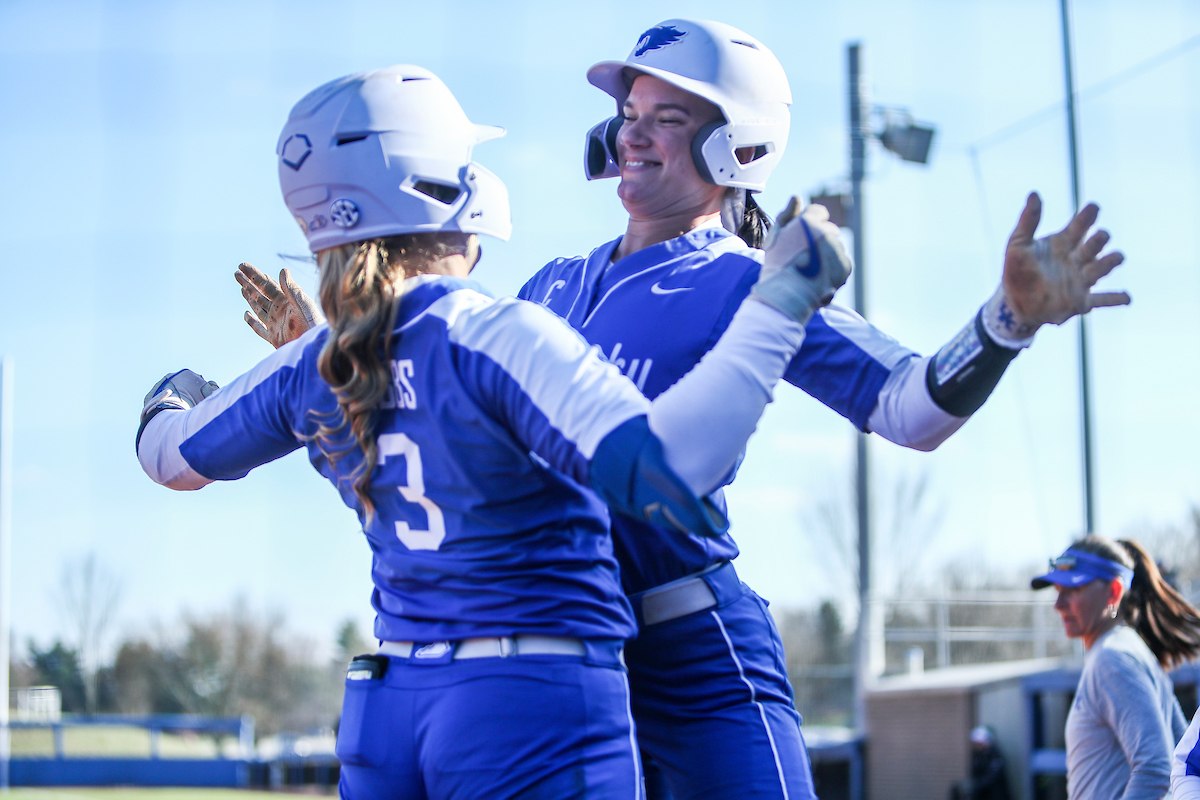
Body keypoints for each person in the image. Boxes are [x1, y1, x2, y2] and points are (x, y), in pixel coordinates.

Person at [235, 21, 1130, 800]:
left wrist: (1009, 319)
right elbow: (434, 458)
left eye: (668, 119)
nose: (634, 136)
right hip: (563, 671)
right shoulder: (546, 286)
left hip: (695, 660)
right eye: (630, 115)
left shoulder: (750, 279)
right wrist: (326, 352)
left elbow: (910, 408)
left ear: (736, 150)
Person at [139, 64, 849, 800]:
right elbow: (662, 471)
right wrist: (778, 309)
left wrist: (182, 390)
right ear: (441, 189)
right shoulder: (501, 332)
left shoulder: (316, 366)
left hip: (391, 709)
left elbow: (166, 452)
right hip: (530, 700)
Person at [1032, 536, 1200, 800]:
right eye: (1057, 590)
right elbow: (1182, 747)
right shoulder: (1128, 648)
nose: (1058, 604)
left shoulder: (1112, 659)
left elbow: (1156, 768)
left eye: (1073, 590)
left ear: (1113, 591)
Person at [951, 726, 1011, 800]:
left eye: (980, 743)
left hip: (995, 794)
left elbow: (993, 776)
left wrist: (978, 785)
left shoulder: (994, 755)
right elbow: (974, 773)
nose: (978, 745)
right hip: (982, 794)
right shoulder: (977, 755)